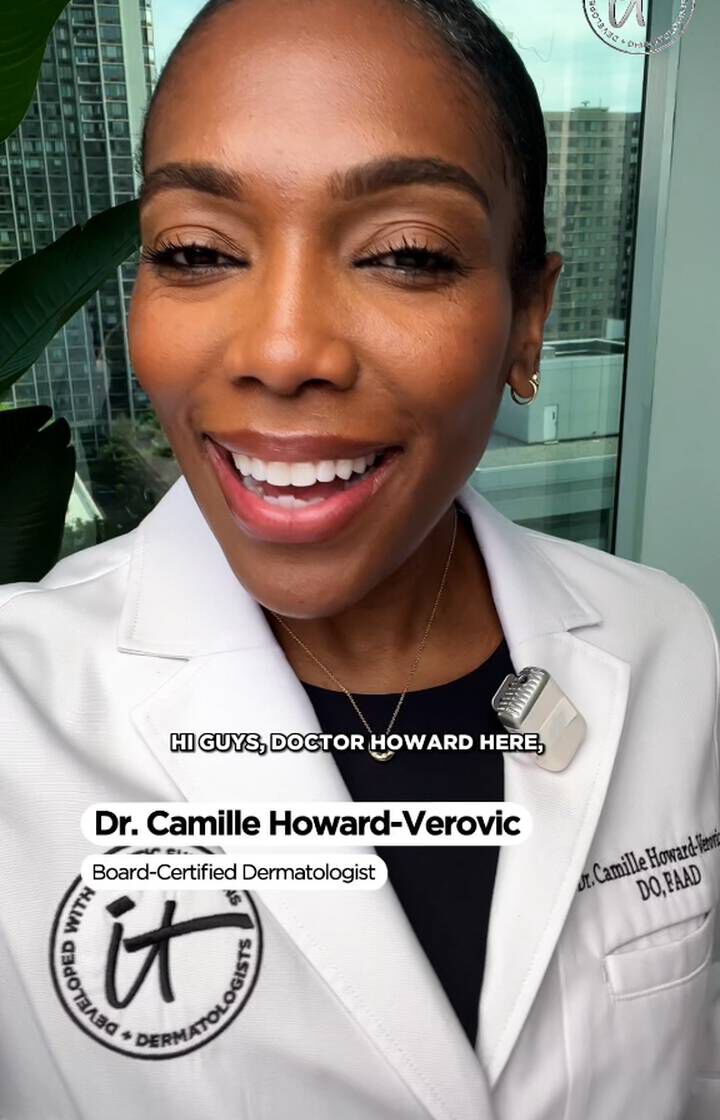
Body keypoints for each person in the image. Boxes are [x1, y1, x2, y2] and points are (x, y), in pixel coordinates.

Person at [0, 1, 718, 1117]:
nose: (285, 350)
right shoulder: (17, 709)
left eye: (406, 255)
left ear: (529, 319)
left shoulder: (667, 645)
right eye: (195, 252)